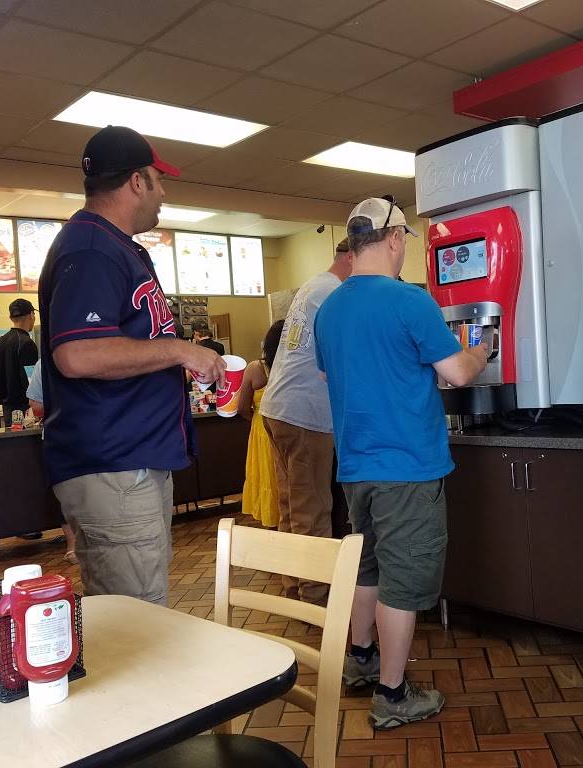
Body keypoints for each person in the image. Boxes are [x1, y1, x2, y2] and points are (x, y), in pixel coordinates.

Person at [314, 198, 488, 729]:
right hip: (407, 467)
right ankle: (392, 695)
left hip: (355, 467)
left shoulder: (329, 309)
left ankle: (361, 659)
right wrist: (482, 349)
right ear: (394, 239)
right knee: (403, 580)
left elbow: (330, 375)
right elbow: (458, 373)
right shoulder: (411, 300)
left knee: (367, 565)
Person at [38, 125, 225, 606]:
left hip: (129, 462)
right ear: (137, 181)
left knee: (138, 611)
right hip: (114, 465)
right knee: (136, 619)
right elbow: (77, 354)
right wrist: (180, 350)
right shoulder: (91, 248)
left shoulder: (115, 246)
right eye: (159, 181)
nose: (164, 193)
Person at [261, 237, 353, 603]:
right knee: (313, 508)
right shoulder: (334, 293)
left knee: (291, 506)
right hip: (305, 414)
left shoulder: (313, 286)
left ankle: (293, 585)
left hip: (279, 408)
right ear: (350, 257)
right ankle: (315, 596)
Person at [25, 359, 78, 565]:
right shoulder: (105, 351)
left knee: (64, 490)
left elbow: (36, 406)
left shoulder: (45, 362)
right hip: (103, 438)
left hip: (59, 436)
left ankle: (73, 545)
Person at [240, 320, 285, 528]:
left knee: (267, 473)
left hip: (261, 426)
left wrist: (255, 418)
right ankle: (288, 518)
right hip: (288, 424)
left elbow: (242, 406)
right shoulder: (291, 368)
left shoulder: (255, 368)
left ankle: (270, 517)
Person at [0, 298, 40, 425]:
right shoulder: (27, 343)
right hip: (25, 410)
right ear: (31, 315)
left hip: (7, 409)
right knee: (25, 437)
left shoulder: (0, 342)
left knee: (12, 436)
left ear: (11, 318)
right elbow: (31, 381)